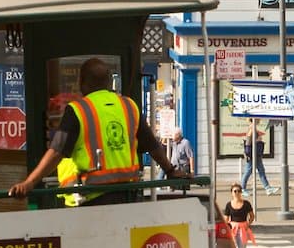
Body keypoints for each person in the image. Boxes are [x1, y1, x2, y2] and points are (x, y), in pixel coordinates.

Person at [10, 58, 182, 199]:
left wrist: (30, 183)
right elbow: (153, 146)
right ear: (109, 82)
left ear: (81, 82)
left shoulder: (78, 110)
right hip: (129, 196)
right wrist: (170, 171)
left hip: (92, 200)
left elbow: (57, 152)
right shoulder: (129, 106)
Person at [221, 181, 255, 248]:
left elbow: (252, 216)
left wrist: (248, 223)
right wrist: (226, 227)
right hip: (232, 229)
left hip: (243, 229)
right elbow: (226, 218)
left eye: (239, 191)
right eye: (235, 191)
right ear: (231, 193)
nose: (237, 193)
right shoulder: (229, 205)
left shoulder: (246, 204)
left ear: (241, 192)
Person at [239, 121, 271, 192]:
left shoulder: (253, 128)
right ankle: (242, 189)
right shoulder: (251, 128)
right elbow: (248, 142)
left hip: (256, 154)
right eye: (258, 119)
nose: (259, 121)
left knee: (261, 171)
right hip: (253, 154)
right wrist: (258, 139)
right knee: (248, 172)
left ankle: (267, 188)